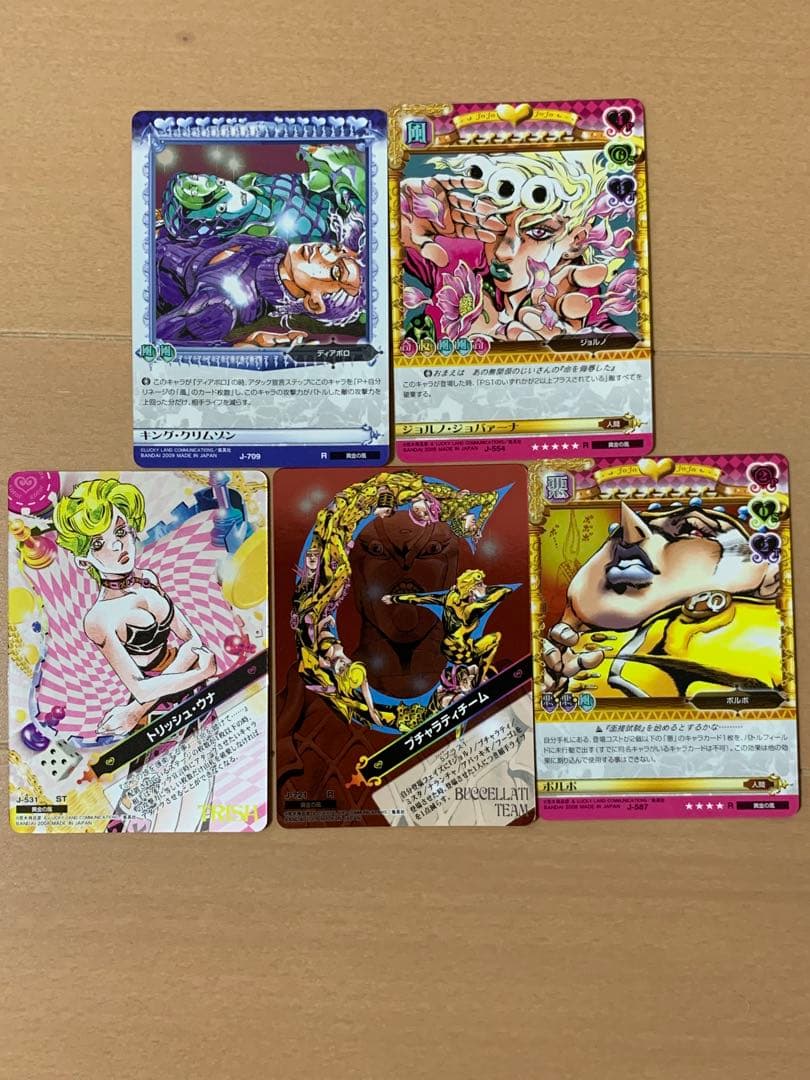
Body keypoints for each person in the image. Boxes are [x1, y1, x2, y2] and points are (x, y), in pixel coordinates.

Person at [54, 477, 217, 829]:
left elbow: (192, 639)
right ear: (83, 560)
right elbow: (142, 687)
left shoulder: (148, 579)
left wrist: (191, 673)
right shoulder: (99, 618)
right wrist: (196, 670)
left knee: (199, 784)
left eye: (120, 531)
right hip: (158, 709)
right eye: (100, 543)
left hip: (186, 692)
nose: (118, 545)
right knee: (154, 802)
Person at [542, 498, 784, 698]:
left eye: (691, 529)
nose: (630, 534)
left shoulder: (760, 645)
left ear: (772, 577)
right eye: (617, 532)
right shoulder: (557, 670)